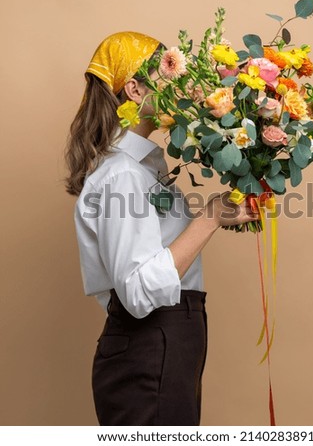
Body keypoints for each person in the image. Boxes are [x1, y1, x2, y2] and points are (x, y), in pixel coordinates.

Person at [64, 31, 260, 426]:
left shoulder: (142, 169)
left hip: (162, 347)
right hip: (148, 350)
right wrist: (209, 218)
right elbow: (136, 294)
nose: (183, 83)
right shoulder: (121, 175)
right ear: (134, 90)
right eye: (169, 73)